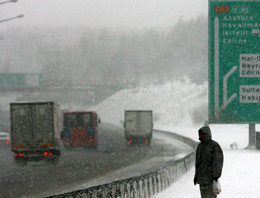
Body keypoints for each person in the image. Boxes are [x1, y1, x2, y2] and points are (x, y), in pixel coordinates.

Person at [194, 126, 224, 198]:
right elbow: (198, 163)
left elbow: (218, 161)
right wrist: (196, 175)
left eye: (202, 135)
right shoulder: (200, 146)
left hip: (211, 179)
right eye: (200, 135)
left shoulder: (214, 146)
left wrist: (216, 175)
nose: (201, 137)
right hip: (202, 180)